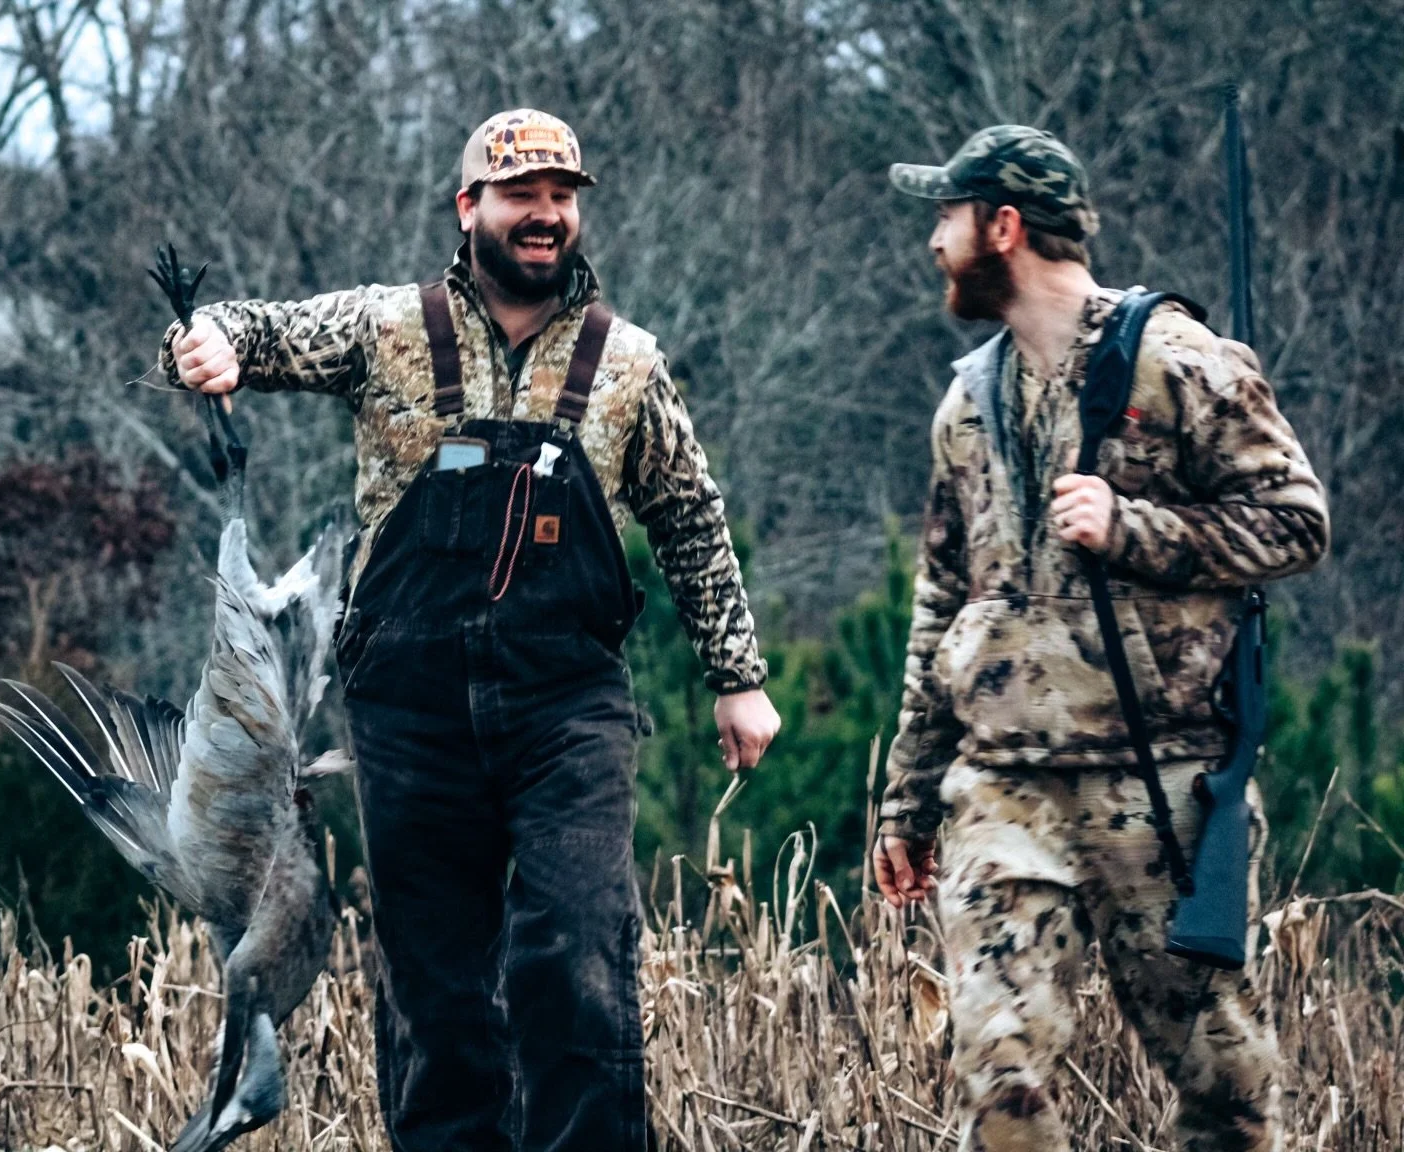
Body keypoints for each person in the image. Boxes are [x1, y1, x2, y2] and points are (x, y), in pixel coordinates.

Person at [161, 108, 781, 1152]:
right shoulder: (386, 329)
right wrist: (209, 340)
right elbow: (253, 331)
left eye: (561, 196)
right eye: (521, 194)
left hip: (567, 707)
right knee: (436, 991)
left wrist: (737, 675)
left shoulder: (628, 363)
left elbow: (689, 515)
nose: (545, 213)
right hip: (411, 712)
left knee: (576, 954)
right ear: (468, 208)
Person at [875, 124, 1329, 1152]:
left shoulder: (1179, 360)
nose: (935, 242)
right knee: (1000, 1079)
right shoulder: (967, 400)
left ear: (1003, 227)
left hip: (1160, 784)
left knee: (1227, 1096)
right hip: (1003, 789)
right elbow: (940, 604)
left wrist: (1134, 529)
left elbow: (1296, 523)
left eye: (948, 217)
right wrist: (907, 798)